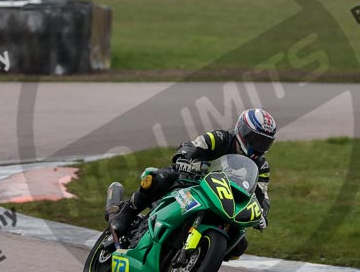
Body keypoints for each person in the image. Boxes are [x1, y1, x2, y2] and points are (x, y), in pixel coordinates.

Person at [111, 108, 277, 257]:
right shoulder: (219, 138)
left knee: (239, 244)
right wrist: (183, 159)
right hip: (193, 181)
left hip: (225, 200)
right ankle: (125, 215)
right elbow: (191, 145)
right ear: (243, 131)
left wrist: (262, 214)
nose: (258, 146)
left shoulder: (261, 166)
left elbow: (262, 194)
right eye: (255, 139)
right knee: (159, 178)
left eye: (264, 142)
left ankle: (201, 256)